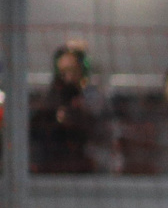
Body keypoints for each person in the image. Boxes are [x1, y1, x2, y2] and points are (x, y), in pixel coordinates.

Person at [29, 41, 111, 174]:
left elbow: (100, 132)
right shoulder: (51, 100)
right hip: (53, 166)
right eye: (64, 71)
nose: (69, 76)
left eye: (73, 70)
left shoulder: (90, 99)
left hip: (81, 168)